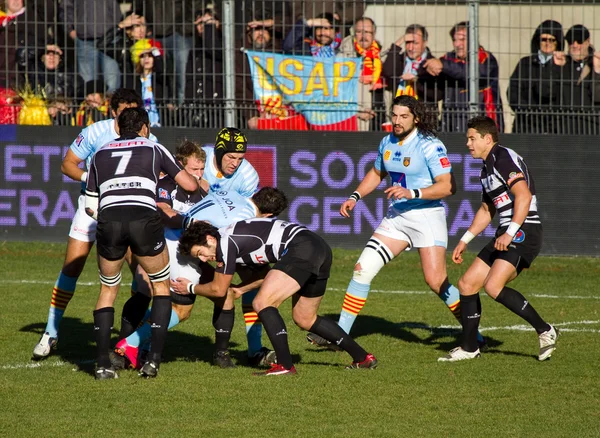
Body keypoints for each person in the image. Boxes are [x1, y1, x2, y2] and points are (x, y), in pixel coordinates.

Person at [307, 95, 485, 350]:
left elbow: (447, 186)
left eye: (404, 116)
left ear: (417, 118)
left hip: (426, 218)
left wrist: (412, 193)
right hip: (397, 218)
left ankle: (474, 336)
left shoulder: (430, 145)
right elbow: (377, 172)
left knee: (436, 281)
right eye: (394, 115)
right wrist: (355, 196)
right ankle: (340, 336)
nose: (397, 121)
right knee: (362, 269)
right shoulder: (387, 141)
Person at [172, 219, 378, 376]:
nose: (203, 259)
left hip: (301, 247)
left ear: (209, 239)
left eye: (200, 253)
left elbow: (218, 290)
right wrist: (242, 290)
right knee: (305, 318)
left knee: (262, 303)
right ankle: (363, 357)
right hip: (318, 247)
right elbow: (264, 275)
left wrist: (190, 287)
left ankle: (285, 365)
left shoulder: (226, 242)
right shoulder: (232, 241)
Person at [31, 88, 150, 360]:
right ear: (113, 110)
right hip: (92, 208)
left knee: (141, 274)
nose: (129, 116)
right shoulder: (96, 132)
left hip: (126, 211)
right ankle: (50, 332)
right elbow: (68, 164)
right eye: (124, 110)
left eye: (134, 110)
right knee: (72, 267)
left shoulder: (146, 136)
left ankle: (129, 340)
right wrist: (93, 179)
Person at [115, 187, 288, 370]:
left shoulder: (232, 193)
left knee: (227, 293)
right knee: (181, 309)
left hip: (170, 238)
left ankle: (236, 353)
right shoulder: (244, 221)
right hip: (183, 250)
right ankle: (131, 343)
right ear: (268, 215)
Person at [85, 107, 198, 379]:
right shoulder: (153, 148)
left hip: (109, 219)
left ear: (118, 127)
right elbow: (190, 185)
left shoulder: (100, 153)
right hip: (143, 219)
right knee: (160, 287)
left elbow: (90, 204)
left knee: (108, 289)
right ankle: (153, 362)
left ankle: (101, 364)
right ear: (145, 127)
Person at [438, 116, 559, 362]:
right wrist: (465, 239)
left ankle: (546, 330)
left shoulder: (502, 159)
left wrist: (510, 232)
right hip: (508, 231)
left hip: (525, 229)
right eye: (467, 138)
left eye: (472, 138)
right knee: (467, 284)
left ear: (487, 138)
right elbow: (486, 210)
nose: (468, 143)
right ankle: (470, 348)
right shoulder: (487, 168)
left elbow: (523, 197)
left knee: (493, 286)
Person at [112, 140, 208, 360]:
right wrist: (191, 223)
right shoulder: (165, 185)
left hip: (188, 252)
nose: (199, 174)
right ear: (180, 167)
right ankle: (130, 343)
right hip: (165, 245)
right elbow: (164, 210)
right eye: (194, 169)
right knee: (168, 303)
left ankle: (129, 345)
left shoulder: (205, 187)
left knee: (156, 297)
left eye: (202, 169)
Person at [423, 21, 503, 133]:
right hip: (452, 123)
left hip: (483, 124)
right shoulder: (448, 58)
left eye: (462, 39)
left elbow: (473, 73)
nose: (457, 44)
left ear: (473, 40)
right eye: (455, 40)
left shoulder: (485, 58)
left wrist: (443, 65)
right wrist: (428, 67)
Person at [508, 20, 565, 134]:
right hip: (525, 125)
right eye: (543, 39)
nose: (547, 43)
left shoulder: (563, 65)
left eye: (551, 39)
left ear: (557, 42)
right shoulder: (525, 63)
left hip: (553, 126)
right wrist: (527, 111)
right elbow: (513, 91)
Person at [338, 17, 388, 131]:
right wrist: (356, 111)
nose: (363, 36)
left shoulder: (382, 54)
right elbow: (337, 90)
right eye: (359, 32)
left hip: (381, 113)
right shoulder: (343, 56)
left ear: (374, 34)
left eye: (367, 32)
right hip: (357, 118)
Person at [381, 24, 442, 119]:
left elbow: (437, 94)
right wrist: (398, 43)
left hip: (424, 118)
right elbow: (388, 72)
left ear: (425, 43)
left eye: (415, 43)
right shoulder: (400, 59)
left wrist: (416, 80)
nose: (410, 48)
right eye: (408, 43)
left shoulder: (431, 63)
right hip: (399, 118)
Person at [61, 0, 122, 91]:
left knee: (112, 81)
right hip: (84, 40)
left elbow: (115, 7)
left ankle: (111, 104)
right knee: (88, 85)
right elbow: (66, 6)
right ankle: (89, 105)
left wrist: (115, 28)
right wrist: (69, 29)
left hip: (109, 39)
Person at [560, 24, 600, 135]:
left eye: (579, 41)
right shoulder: (563, 64)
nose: (575, 45)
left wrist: (597, 72)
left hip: (593, 128)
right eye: (571, 42)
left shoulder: (596, 63)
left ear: (588, 41)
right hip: (565, 129)